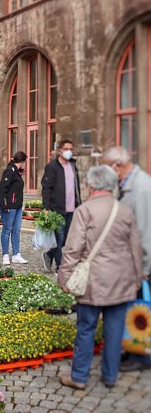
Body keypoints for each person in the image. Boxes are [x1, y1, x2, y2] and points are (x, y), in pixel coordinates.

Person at [58, 165, 142, 389]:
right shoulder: (124, 210)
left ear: (92, 185)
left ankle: (79, 377)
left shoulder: (84, 211)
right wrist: (136, 278)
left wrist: (64, 279)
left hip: (93, 282)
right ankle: (110, 376)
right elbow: (135, 248)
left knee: (86, 329)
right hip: (121, 281)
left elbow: (72, 250)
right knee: (114, 331)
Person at [103, 145, 151, 372]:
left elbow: (145, 233)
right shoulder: (128, 185)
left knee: (142, 308)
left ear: (117, 165)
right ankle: (134, 348)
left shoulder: (141, 188)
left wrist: (143, 269)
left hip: (141, 265)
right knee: (135, 308)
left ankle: (142, 356)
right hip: (132, 262)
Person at [41, 139, 81, 273]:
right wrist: (46, 208)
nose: (69, 151)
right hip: (57, 209)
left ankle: (49, 254)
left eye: (71, 149)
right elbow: (46, 188)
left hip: (71, 209)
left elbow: (76, 187)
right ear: (60, 151)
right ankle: (60, 267)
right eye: (66, 149)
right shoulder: (52, 167)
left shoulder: (73, 166)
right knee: (59, 238)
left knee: (66, 239)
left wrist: (79, 203)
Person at [0, 151, 28, 265]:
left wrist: (21, 204)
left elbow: (16, 190)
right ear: (22, 161)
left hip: (17, 206)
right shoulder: (10, 171)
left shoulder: (17, 172)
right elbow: (2, 188)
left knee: (16, 231)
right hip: (9, 207)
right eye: (25, 162)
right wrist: (5, 205)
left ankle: (16, 254)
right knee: (7, 230)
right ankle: (5, 255)